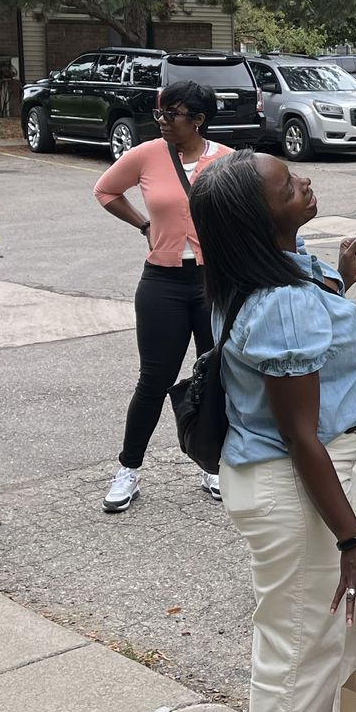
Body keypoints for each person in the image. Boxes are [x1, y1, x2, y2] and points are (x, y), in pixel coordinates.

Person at [189, 150, 356, 712]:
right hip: (298, 479)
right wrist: (352, 540)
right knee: (300, 653)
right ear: (259, 222)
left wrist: (340, 279)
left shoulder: (273, 271)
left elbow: (303, 345)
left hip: (306, 476)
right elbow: (299, 435)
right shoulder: (281, 301)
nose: (304, 181)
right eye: (287, 185)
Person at [92, 80, 230, 511]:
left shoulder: (228, 161)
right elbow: (105, 190)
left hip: (214, 283)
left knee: (217, 377)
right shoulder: (147, 154)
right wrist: (143, 225)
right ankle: (128, 469)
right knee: (153, 380)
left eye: (172, 114)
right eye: (161, 113)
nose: (163, 121)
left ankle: (214, 463)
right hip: (162, 283)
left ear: (199, 120)